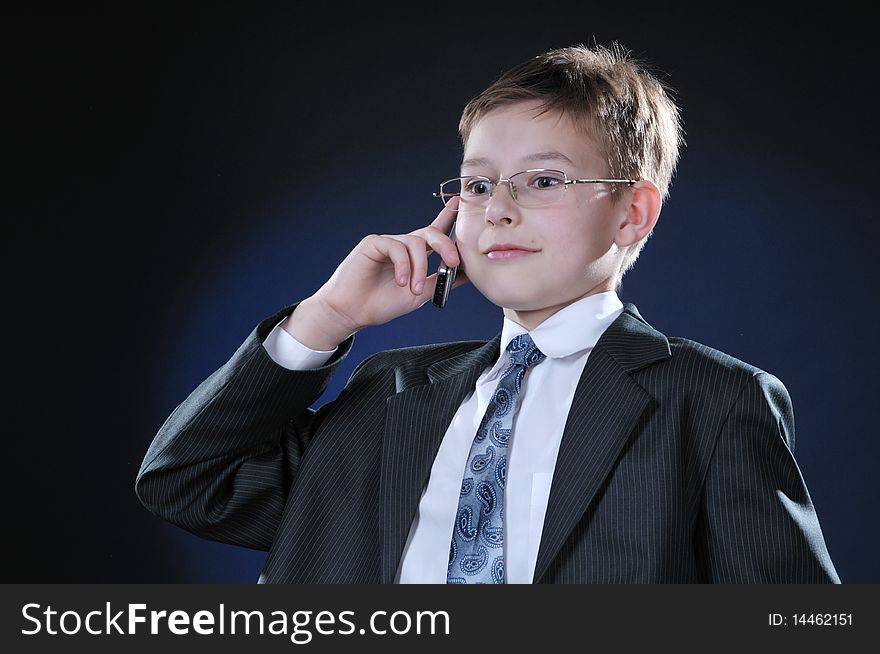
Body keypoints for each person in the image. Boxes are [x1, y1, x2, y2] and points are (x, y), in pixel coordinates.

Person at [135, 43, 840, 584]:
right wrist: (325, 317)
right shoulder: (388, 393)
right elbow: (187, 481)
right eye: (477, 184)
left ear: (632, 213)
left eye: (543, 180)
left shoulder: (711, 401)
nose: (499, 207)